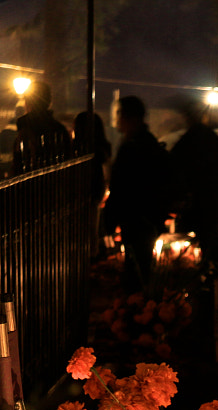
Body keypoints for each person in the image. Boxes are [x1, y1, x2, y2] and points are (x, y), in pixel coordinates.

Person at [105, 96, 173, 292]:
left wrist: (110, 219)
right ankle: (140, 310)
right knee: (140, 268)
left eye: (120, 114)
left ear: (131, 118)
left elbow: (120, 186)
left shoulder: (133, 147)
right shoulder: (149, 144)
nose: (117, 119)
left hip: (136, 217)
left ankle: (137, 312)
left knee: (136, 271)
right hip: (148, 218)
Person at [170, 98, 218, 271]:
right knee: (210, 238)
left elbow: (176, 165)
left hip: (201, 201)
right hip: (212, 201)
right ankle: (214, 276)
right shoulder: (211, 139)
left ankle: (210, 276)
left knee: (208, 239)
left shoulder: (192, 139)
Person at [72, 111, 112, 259]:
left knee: (83, 227)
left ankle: (87, 257)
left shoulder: (79, 150)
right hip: (97, 189)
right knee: (92, 225)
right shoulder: (102, 149)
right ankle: (92, 254)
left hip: (85, 190)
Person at [11, 81, 71, 174]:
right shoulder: (58, 129)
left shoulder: (23, 126)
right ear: (49, 101)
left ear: (28, 100)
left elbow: (18, 160)